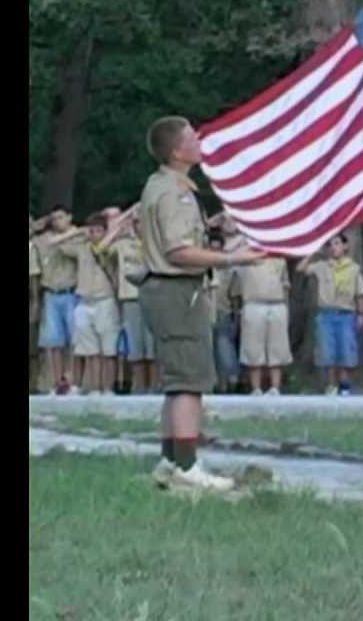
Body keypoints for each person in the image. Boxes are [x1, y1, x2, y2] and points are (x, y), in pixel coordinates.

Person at [137, 115, 264, 492]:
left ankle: (170, 460)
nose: (200, 140)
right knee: (189, 381)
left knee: (178, 383)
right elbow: (179, 251)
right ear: (178, 151)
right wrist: (231, 259)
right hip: (177, 291)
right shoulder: (172, 192)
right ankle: (187, 468)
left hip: (169, 290)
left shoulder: (165, 185)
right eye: (193, 136)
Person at [50, 211, 123, 396]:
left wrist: (110, 232)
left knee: (108, 351)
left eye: (99, 230)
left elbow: (105, 247)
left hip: (104, 301)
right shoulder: (82, 247)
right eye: (92, 231)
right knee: (90, 351)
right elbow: (54, 242)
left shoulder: (113, 246)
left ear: (105, 232)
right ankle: (93, 388)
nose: (95, 234)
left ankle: (107, 388)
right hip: (84, 301)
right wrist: (78, 232)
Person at [298, 235, 363, 396]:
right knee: (327, 352)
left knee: (346, 350)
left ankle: (345, 385)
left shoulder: (353, 268)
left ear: (345, 246)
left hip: (346, 314)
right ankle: (331, 385)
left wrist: (361, 314)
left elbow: (360, 293)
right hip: (326, 314)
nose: (333, 247)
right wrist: (313, 251)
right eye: (330, 245)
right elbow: (301, 269)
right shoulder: (322, 266)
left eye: (337, 243)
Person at [100, 207, 159, 394]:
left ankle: (155, 386)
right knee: (136, 346)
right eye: (138, 222)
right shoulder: (123, 244)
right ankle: (139, 386)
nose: (141, 225)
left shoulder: (158, 242)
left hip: (154, 297)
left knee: (153, 346)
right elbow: (100, 248)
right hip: (130, 298)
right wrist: (119, 226)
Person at [231, 253, 292, 396]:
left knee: (277, 348)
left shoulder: (280, 260)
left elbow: (286, 287)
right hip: (253, 304)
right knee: (253, 349)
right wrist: (236, 313)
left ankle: (275, 388)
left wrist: (286, 308)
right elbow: (235, 291)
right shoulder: (245, 258)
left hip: (277, 304)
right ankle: (256, 388)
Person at [34, 206, 79, 394]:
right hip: (51, 294)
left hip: (71, 293)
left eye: (61, 217)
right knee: (53, 343)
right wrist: (38, 224)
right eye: (53, 218)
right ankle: (55, 383)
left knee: (75, 341)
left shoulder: (79, 235)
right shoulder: (41, 240)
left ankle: (71, 380)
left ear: (69, 217)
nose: (57, 221)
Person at [206, 230, 242, 394]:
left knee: (225, 350)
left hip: (224, 314)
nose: (214, 253)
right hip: (204, 315)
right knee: (207, 353)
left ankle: (231, 383)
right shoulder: (200, 270)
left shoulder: (229, 271)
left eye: (217, 249)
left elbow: (234, 295)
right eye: (211, 249)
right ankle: (213, 385)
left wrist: (236, 317)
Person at [29, 216, 43, 394]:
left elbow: (34, 282)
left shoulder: (33, 249)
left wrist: (35, 305)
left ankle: (32, 384)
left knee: (31, 349)